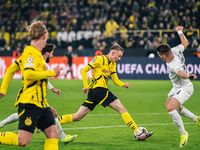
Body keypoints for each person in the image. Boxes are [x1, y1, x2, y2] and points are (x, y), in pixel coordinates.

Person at [58, 44, 153, 141]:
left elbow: (115, 80)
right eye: (119, 56)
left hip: (94, 92)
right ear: (112, 53)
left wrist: (123, 84)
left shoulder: (113, 64)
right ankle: (137, 132)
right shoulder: (99, 59)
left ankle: (54, 121)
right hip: (99, 90)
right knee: (122, 109)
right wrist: (86, 86)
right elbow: (84, 70)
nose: (119, 59)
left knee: (78, 116)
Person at [0, 43, 78, 144]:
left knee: (28, 116)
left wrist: (52, 88)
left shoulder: (40, 61)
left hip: (38, 97)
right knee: (23, 139)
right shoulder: (36, 60)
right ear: (47, 53)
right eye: (52, 53)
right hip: (30, 96)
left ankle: (63, 137)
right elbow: (31, 75)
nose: (53, 56)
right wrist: (52, 73)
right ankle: (63, 137)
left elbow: (41, 77)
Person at [0, 21, 60, 149]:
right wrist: (52, 72)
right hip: (30, 103)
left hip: (41, 103)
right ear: (44, 36)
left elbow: (10, 70)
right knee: (23, 141)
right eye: (46, 37)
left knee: (53, 134)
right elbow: (27, 74)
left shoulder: (35, 53)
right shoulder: (30, 52)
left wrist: (3, 90)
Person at [156, 26, 199, 147]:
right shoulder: (175, 50)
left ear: (164, 56)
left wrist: (188, 76)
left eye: (160, 56)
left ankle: (183, 134)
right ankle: (196, 119)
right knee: (170, 106)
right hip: (176, 86)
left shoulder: (172, 64)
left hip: (185, 87)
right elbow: (185, 43)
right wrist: (180, 31)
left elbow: (180, 72)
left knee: (170, 108)